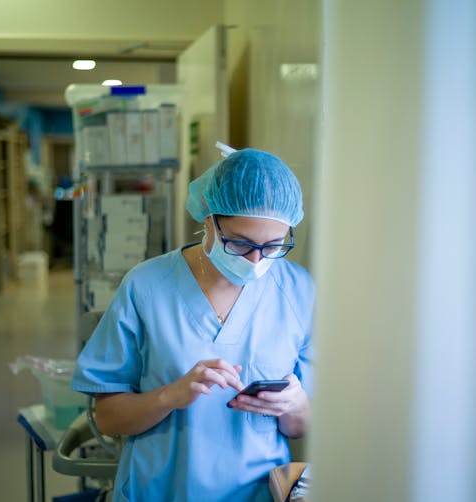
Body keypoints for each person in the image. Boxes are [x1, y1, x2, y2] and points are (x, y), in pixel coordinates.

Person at [72, 147, 315, 501]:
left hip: (258, 493)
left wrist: (295, 407)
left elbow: (301, 426)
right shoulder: (147, 286)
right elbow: (108, 418)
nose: (256, 260)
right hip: (160, 490)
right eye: (240, 243)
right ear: (209, 220)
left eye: (273, 246)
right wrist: (170, 395)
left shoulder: (298, 291)